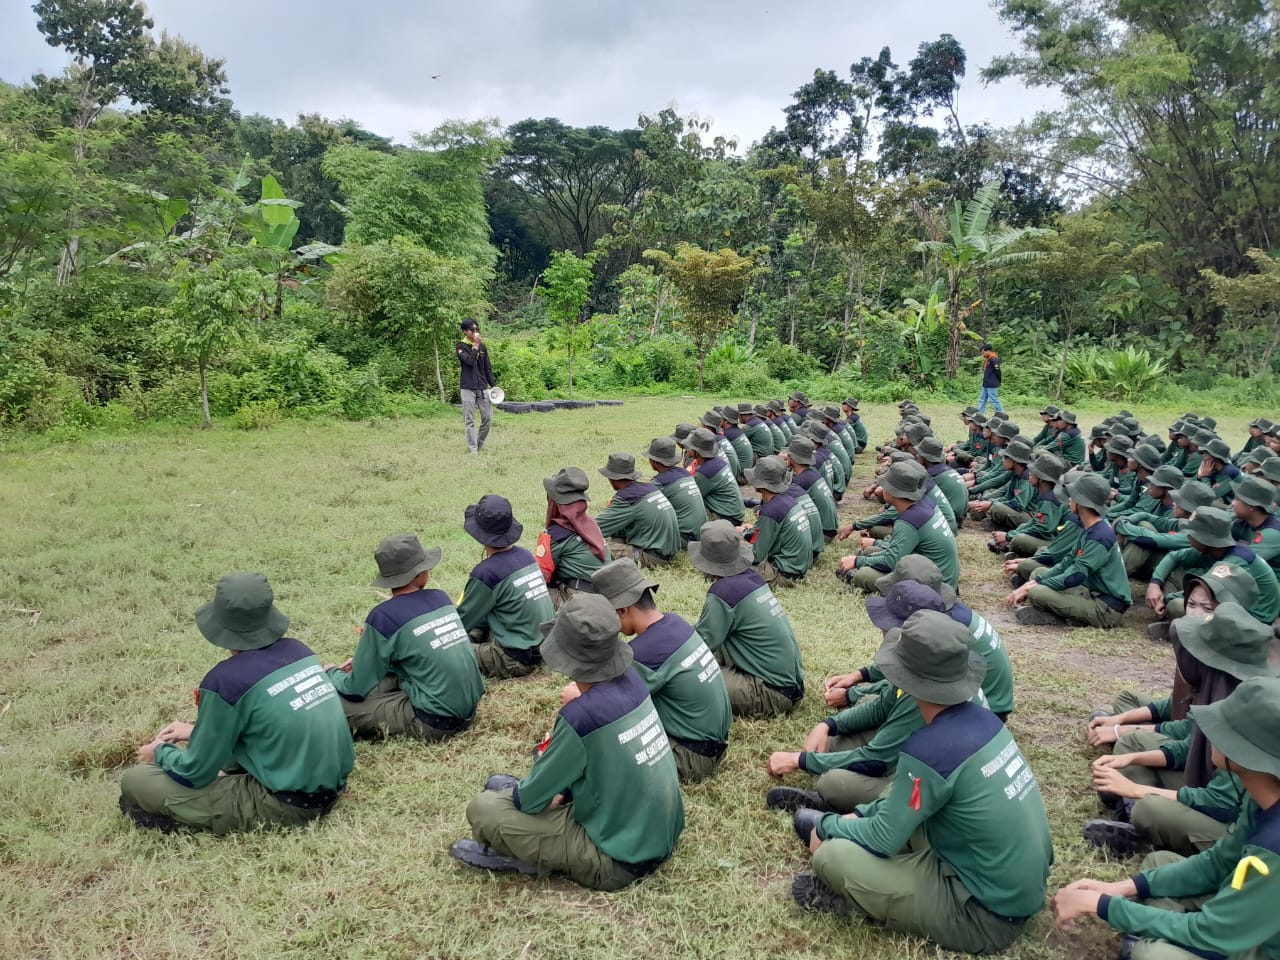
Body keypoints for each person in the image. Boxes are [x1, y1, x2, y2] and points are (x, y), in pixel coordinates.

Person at [789, 611, 1052, 956]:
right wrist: (860, 815)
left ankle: (867, 902)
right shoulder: (984, 721)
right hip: (1000, 881)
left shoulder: (932, 746)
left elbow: (883, 838)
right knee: (883, 820)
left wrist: (828, 826)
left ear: (911, 679)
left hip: (984, 914)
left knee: (831, 858)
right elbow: (907, 802)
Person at [453, 593, 684, 890]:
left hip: (617, 860)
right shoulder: (633, 681)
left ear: (568, 657)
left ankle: (528, 855)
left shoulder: (580, 716)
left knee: (484, 809)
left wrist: (549, 792)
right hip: (654, 833)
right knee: (510, 789)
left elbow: (530, 800)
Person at [1052, 677, 1280, 960]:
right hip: (1249, 917)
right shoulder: (1260, 797)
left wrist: (1102, 906)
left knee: (1152, 954)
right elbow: (1218, 863)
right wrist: (1120, 888)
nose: (1211, 734)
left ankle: (1156, 936)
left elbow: (1212, 935)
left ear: (1248, 754)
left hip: (1254, 943)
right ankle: (1158, 927)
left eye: (1224, 730)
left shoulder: (1273, 847)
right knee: (1159, 863)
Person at [118, 573, 355, 834]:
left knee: (137, 780)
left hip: (287, 805)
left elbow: (194, 772)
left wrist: (160, 753)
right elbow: (266, 722)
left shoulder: (224, 681)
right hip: (332, 790)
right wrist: (195, 731)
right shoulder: (300, 651)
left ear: (219, 623)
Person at [1083, 603, 1273, 858]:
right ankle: (1136, 817)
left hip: (1237, 829)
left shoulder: (1251, 715)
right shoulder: (1225, 692)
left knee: (1150, 810)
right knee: (1134, 747)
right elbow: (1190, 744)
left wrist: (1136, 790)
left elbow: (1220, 803)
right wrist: (1130, 757)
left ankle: (1142, 829)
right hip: (1212, 794)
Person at [327, 534, 484, 741]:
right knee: (381, 680)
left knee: (331, 702)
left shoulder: (383, 617)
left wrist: (332, 672)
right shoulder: (441, 598)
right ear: (421, 574)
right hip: (469, 710)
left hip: (435, 721)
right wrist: (360, 662)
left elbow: (355, 688)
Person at [590, 559, 732, 783]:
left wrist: (578, 696)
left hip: (689, 758)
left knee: (601, 748)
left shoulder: (645, 653)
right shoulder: (675, 623)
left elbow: (607, 707)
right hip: (713, 746)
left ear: (623, 610)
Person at [689, 519, 805, 719]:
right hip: (790, 685)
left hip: (771, 692)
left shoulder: (723, 592)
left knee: (691, 679)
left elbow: (700, 645)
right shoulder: (754, 579)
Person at [1006, 473, 1132, 628]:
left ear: (1082, 503)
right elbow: (1067, 563)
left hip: (1106, 609)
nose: (1069, 499)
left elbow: (1075, 576)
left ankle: (1057, 616)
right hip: (1092, 593)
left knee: (1037, 593)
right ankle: (1053, 606)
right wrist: (1035, 582)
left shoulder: (1099, 536)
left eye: (1073, 496)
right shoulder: (1091, 527)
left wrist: (1032, 587)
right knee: (1038, 573)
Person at [458, 494, 555, 678]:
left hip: (515, 659)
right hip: (545, 648)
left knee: (447, 652)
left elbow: (461, 622)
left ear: (479, 534)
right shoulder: (526, 556)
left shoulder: (486, 573)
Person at [837, 461, 960, 592]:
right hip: (936, 574)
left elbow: (890, 562)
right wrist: (866, 556)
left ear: (893, 491)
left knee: (864, 575)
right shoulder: (924, 503)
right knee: (870, 552)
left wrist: (857, 561)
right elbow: (897, 551)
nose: (881, 489)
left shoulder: (908, 521)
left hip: (935, 586)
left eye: (884, 485)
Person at [595, 453, 681, 567]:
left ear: (613, 478)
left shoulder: (628, 498)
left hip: (652, 558)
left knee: (594, 546)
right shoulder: (649, 488)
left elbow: (594, 529)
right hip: (668, 552)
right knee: (615, 537)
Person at [538, 467, 607, 609]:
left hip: (580, 600)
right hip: (605, 595)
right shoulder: (591, 524)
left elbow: (540, 578)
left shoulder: (555, 535)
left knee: (529, 595)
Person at [742, 455, 814, 586]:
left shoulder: (771, 510)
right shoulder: (788, 500)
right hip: (798, 568)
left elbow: (756, 555)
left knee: (732, 567)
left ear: (761, 483)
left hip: (783, 573)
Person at [646, 436, 708, 545]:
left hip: (684, 537)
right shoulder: (685, 473)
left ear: (654, 461)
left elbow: (645, 510)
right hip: (702, 533)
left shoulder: (659, 482)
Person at [684, 427, 746, 525]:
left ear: (697, 451)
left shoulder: (706, 473)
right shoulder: (717, 461)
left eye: (690, 446)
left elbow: (689, 499)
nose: (687, 448)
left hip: (727, 518)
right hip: (734, 514)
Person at [457, 318, 496, 455]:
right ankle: (473, 449)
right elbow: (469, 362)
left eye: (477, 329)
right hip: (467, 387)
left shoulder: (483, 347)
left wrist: (494, 386)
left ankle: (480, 443)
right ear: (465, 331)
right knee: (469, 421)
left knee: (488, 418)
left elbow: (487, 368)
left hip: (482, 387)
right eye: (472, 330)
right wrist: (475, 346)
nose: (475, 332)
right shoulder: (461, 346)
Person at [977, 343, 1003, 414]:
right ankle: (980, 414)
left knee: (994, 400)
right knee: (982, 399)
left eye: (983, 353)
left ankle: (1001, 414)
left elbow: (998, 371)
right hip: (985, 384)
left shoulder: (993, 359)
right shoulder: (987, 360)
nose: (983, 354)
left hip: (992, 384)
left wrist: (999, 381)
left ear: (988, 351)